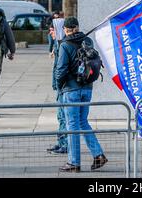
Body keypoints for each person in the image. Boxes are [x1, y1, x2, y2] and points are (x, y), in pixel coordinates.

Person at [56, 16, 107, 172]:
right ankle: (98, 155)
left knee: (72, 126)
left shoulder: (65, 45)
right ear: (77, 27)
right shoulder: (87, 42)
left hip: (71, 89)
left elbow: (61, 70)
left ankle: (74, 163)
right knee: (83, 122)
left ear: (66, 29)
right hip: (87, 88)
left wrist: (59, 86)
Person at [46, 24, 68, 155]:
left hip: (63, 87)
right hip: (59, 86)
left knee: (63, 116)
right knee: (60, 116)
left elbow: (61, 68)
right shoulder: (57, 43)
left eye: (52, 30)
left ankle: (65, 144)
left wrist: (58, 84)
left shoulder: (62, 45)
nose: (50, 32)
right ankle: (61, 142)